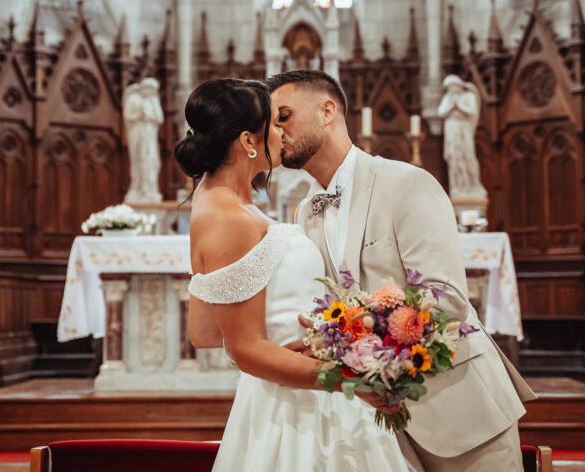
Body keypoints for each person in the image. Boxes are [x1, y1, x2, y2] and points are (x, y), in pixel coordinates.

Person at [268, 69, 536, 472]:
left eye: (283, 116)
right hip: (375, 424)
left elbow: (446, 299)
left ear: (327, 111)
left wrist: (353, 335)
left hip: (456, 405)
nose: (276, 132)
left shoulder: (406, 183)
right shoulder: (306, 211)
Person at [175, 78, 418, 472]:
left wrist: (279, 349)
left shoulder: (225, 204)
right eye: (274, 123)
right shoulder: (226, 216)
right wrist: (348, 378)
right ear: (247, 141)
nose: (282, 132)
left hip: (297, 384)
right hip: (300, 406)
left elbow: (204, 332)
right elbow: (245, 347)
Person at [438, 74, 486, 199]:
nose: (450, 90)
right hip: (451, 128)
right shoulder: (447, 98)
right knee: (454, 156)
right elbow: (441, 112)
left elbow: (472, 112)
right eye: (448, 88)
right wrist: (451, 105)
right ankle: (458, 186)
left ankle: (472, 186)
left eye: (452, 86)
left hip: (463, 128)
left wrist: (458, 105)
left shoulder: (468, 96)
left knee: (467, 156)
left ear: (458, 85)